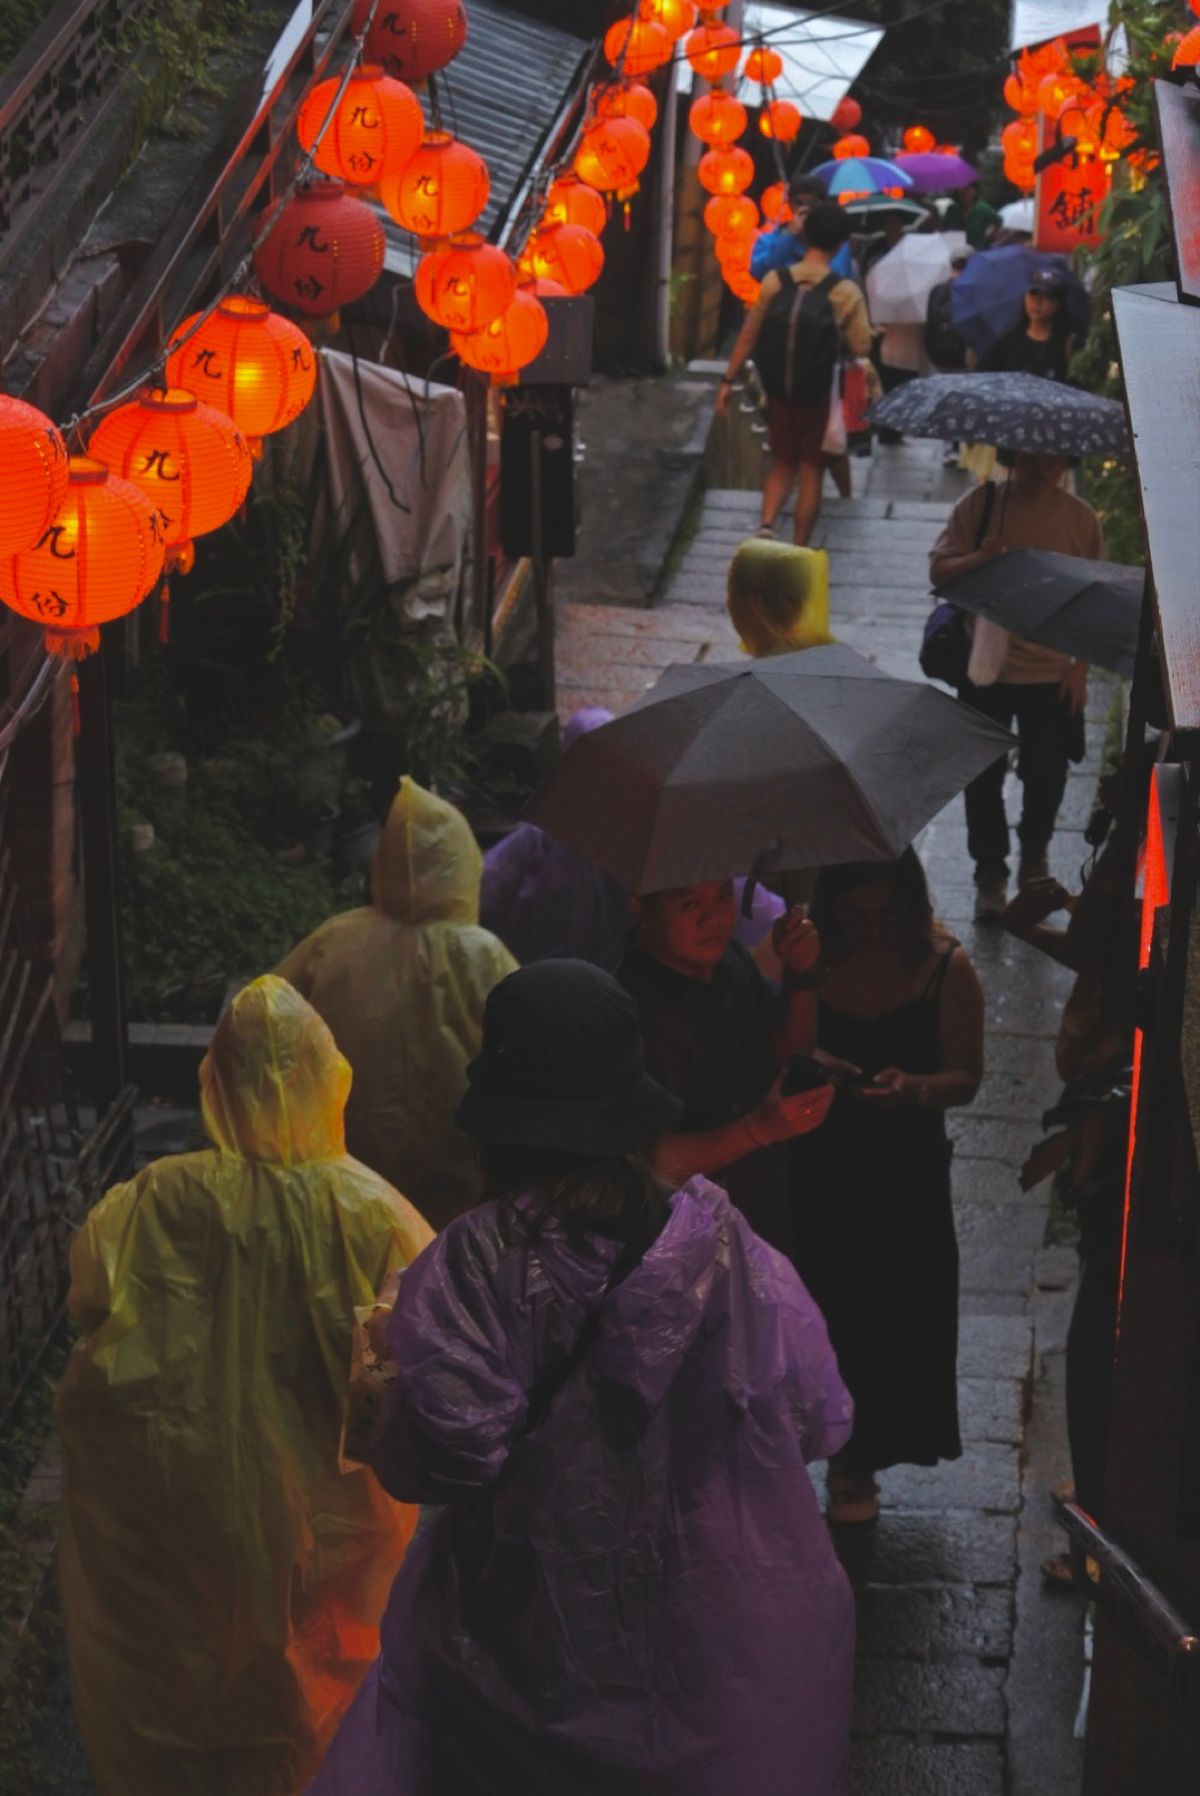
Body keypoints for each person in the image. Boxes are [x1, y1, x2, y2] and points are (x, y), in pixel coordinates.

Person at [307, 959, 856, 1796]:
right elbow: (817, 1414)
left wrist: (391, 1386)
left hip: (529, 1636)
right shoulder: (718, 1238)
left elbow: (441, 1458)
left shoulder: (475, 1259)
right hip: (708, 1625)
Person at [56, 976, 434, 1796]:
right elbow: (413, 1358)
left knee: (183, 1685)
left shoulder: (157, 1199)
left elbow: (90, 1293)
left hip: (175, 1502)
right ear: (330, 1076)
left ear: (214, 1082)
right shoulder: (378, 1213)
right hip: (327, 1524)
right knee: (311, 1702)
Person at [789, 853, 985, 1524]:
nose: (871, 930)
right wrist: (813, 1063)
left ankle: (859, 1459)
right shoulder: (807, 963)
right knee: (821, 1303)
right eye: (855, 916)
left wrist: (914, 1090)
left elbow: (965, 1075)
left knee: (892, 1312)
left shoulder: (944, 968)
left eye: (885, 916)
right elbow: (780, 1047)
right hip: (818, 1164)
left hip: (905, 1170)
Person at [278, 776, 517, 1228]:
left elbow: (264, 1024)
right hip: (462, 1181)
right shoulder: (482, 955)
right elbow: (534, 1041)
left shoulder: (334, 941)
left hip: (348, 1175)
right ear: (464, 862)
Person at [929, 451, 1103, 920]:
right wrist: (978, 558)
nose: (1042, 468)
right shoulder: (980, 505)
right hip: (985, 667)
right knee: (982, 776)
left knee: (1047, 774)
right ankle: (990, 873)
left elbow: (1094, 596)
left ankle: (1034, 855)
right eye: (1031, 458)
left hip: (1050, 673)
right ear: (1012, 455)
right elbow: (939, 570)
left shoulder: (1081, 521)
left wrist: (1079, 667)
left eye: (1052, 459)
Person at [618, 880, 834, 1257]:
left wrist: (800, 975)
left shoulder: (730, 962)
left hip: (760, 1213)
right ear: (642, 910)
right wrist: (757, 1130)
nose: (713, 918)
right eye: (689, 905)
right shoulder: (630, 1009)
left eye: (722, 898)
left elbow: (786, 1055)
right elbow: (647, 1159)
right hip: (681, 1244)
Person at [716, 201, 871, 546]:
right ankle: (799, 544)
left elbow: (749, 333)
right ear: (840, 243)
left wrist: (728, 380)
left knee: (783, 462)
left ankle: (767, 525)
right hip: (818, 392)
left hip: (777, 387)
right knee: (811, 468)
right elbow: (861, 347)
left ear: (805, 233)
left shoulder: (775, 281)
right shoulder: (844, 292)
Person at [481, 707, 632, 971]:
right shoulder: (628, 836)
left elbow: (487, 885)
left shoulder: (539, 835)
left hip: (537, 974)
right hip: (609, 979)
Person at [726, 535, 833, 656]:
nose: (727, 603)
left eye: (730, 593)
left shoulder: (765, 668)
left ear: (754, 604)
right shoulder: (812, 655)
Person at [750, 173, 857, 283]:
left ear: (823, 205)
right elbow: (759, 273)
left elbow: (840, 278)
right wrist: (788, 236)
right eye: (799, 203)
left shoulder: (837, 243)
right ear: (790, 204)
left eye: (812, 204)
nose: (805, 209)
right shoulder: (769, 240)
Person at [980, 268, 1077, 381]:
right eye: (1033, 293)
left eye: (1047, 296)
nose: (1037, 301)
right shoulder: (1006, 343)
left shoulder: (1067, 346)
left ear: (1058, 305)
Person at [943, 179, 1001, 250]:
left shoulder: (984, 210)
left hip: (977, 253)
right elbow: (944, 230)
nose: (964, 191)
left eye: (968, 188)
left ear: (975, 190)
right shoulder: (952, 209)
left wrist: (989, 235)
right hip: (954, 253)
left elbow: (998, 225)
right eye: (961, 187)